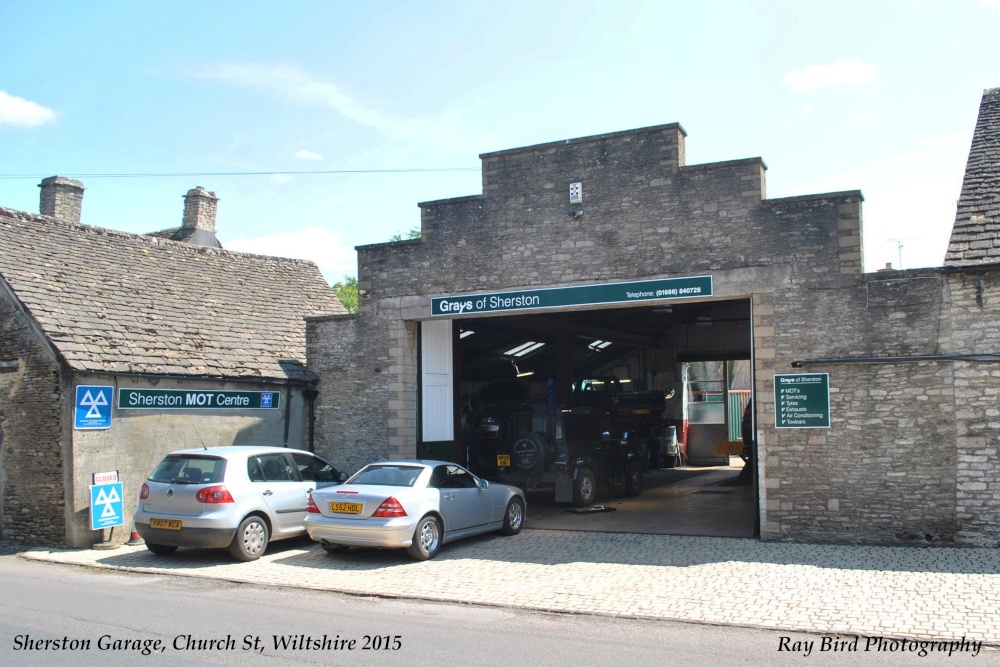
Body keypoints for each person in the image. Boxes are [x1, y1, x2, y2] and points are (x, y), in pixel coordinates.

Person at [735, 399, 755, 485]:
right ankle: (743, 479)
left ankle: (743, 478)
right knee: (752, 458)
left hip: (748, 428)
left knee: (751, 458)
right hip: (749, 429)